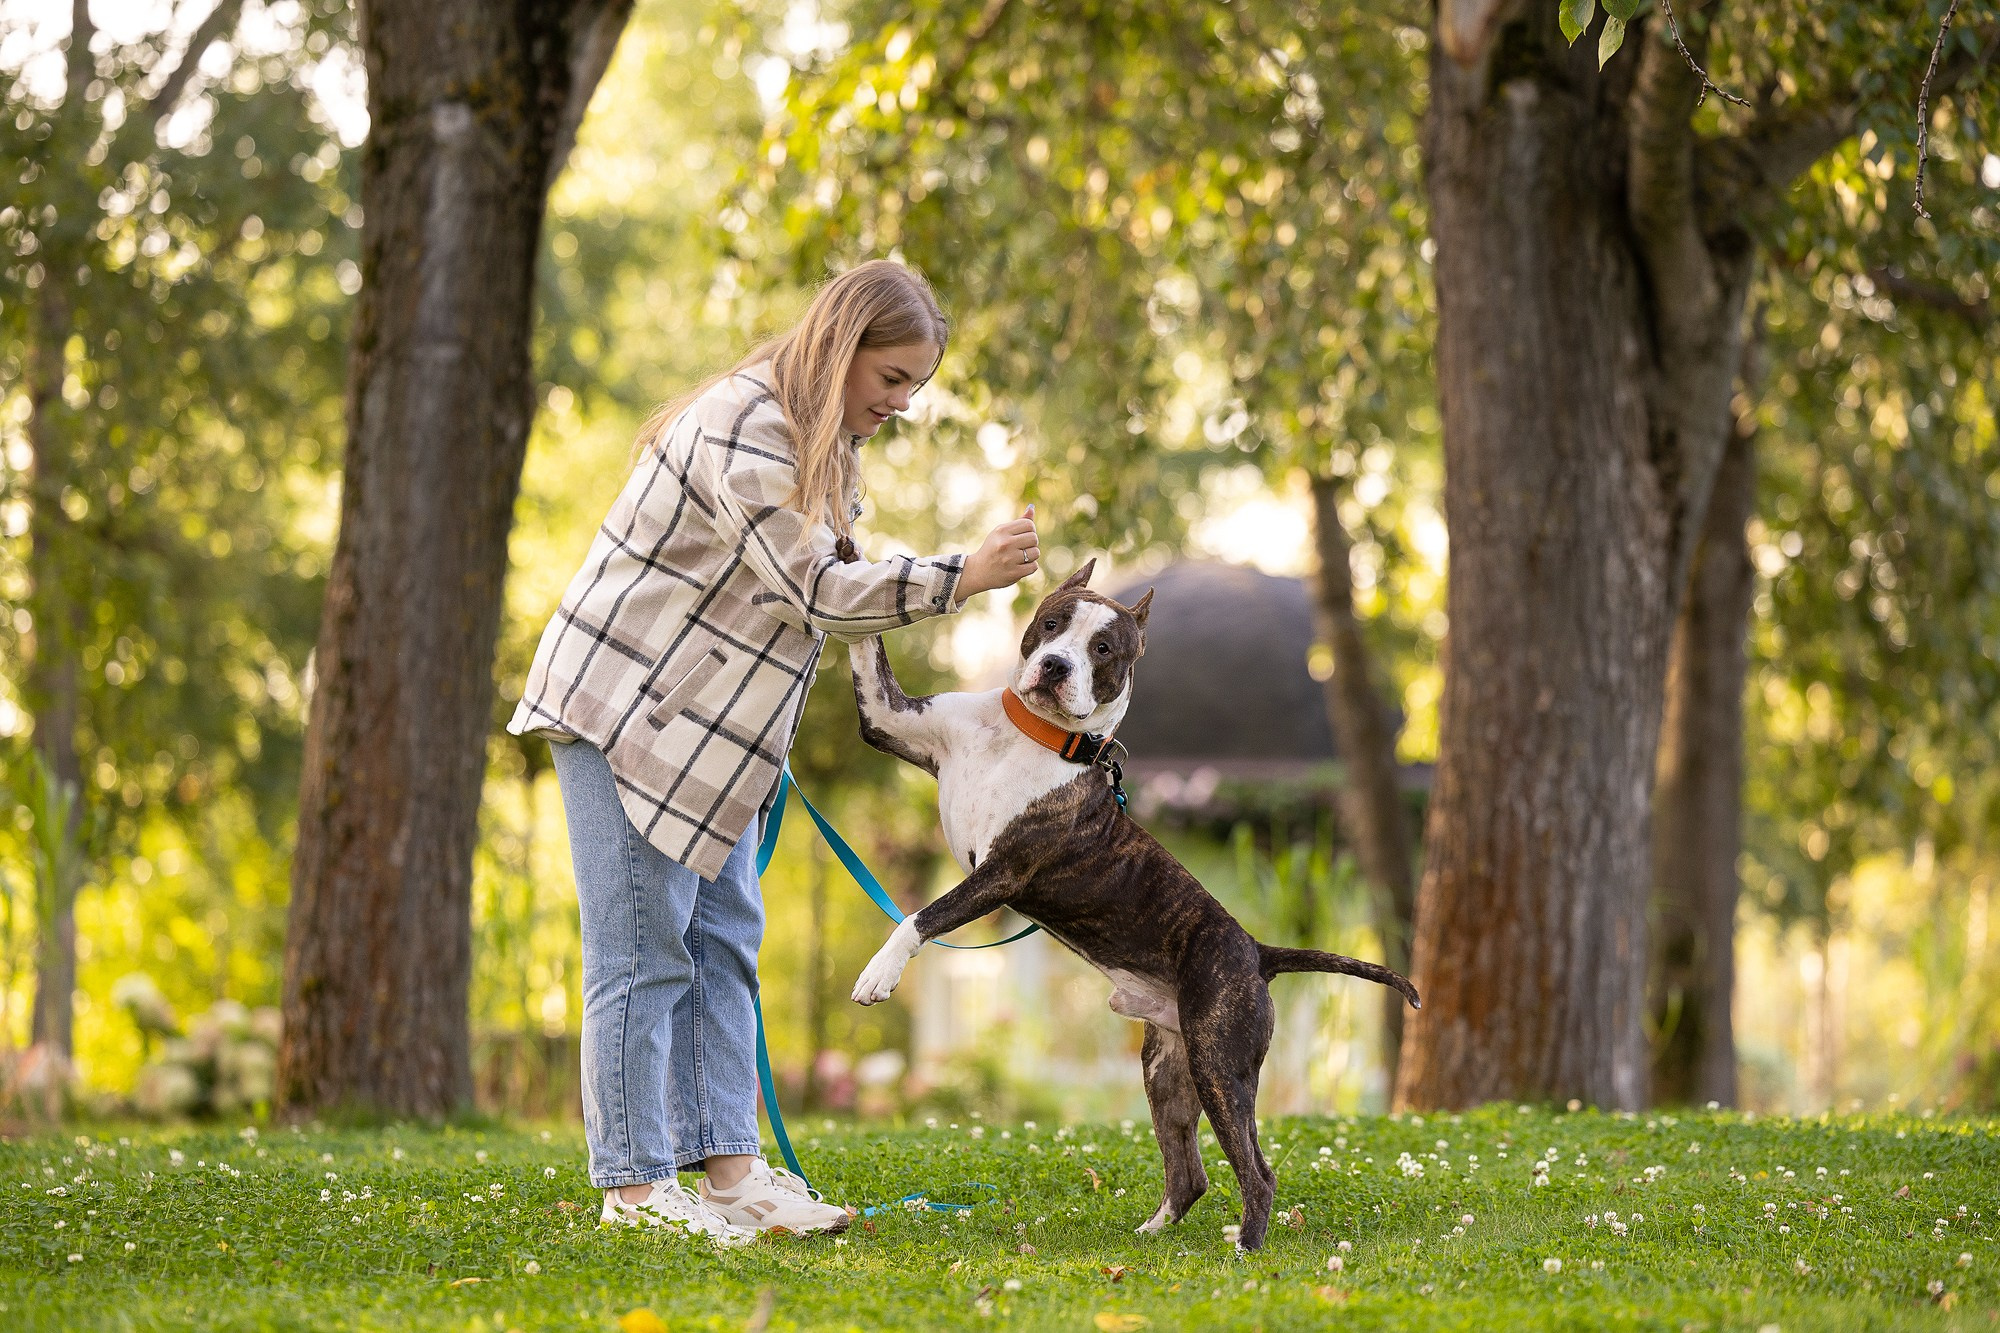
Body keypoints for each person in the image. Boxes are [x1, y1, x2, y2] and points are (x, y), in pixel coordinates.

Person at [508, 261, 1039, 1243]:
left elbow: (817, 593)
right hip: (625, 714)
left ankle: (729, 1174)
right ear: (840, 349)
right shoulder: (742, 425)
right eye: (890, 380)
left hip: (718, 738)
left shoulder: (825, 447)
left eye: (912, 388)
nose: (898, 405)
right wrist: (962, 574)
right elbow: (818, 594)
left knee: (720, 950)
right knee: (640, 952)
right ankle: (632, 1192)